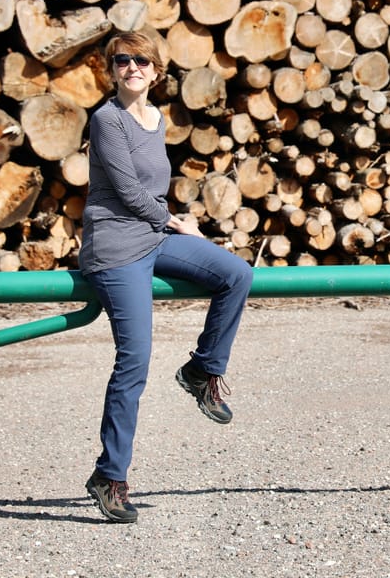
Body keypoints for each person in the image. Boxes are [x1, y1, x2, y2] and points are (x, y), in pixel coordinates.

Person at [79, 30, 254, 523]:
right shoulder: (106, 119)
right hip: (115, 247)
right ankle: (110, 476)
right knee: (134, 360)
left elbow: (152, 194)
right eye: (122, 61)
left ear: (156, 71)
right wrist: (176, 222)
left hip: (154, 237)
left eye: (141, 61)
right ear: (111, 71)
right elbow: (129, 192)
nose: (131, 67)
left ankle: (202, 370)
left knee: (236, 274)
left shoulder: (156, 120)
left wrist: (172, 223)